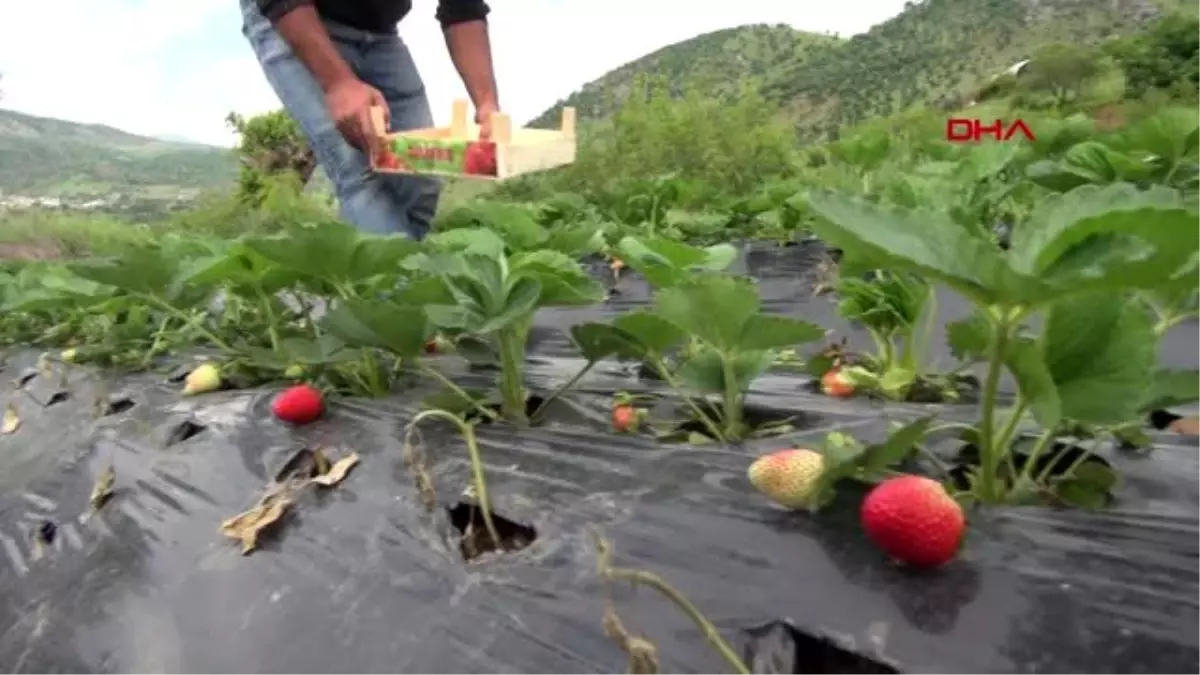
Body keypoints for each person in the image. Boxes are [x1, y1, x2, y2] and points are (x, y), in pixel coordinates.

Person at [241, 0, 498, 240]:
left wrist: (486, 104)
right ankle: (391, 282)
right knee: (363, 176)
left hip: (380, 30)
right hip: (294, 14)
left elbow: (463, 6)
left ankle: (401, 273)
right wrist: (338, 83)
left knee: (423, 173)